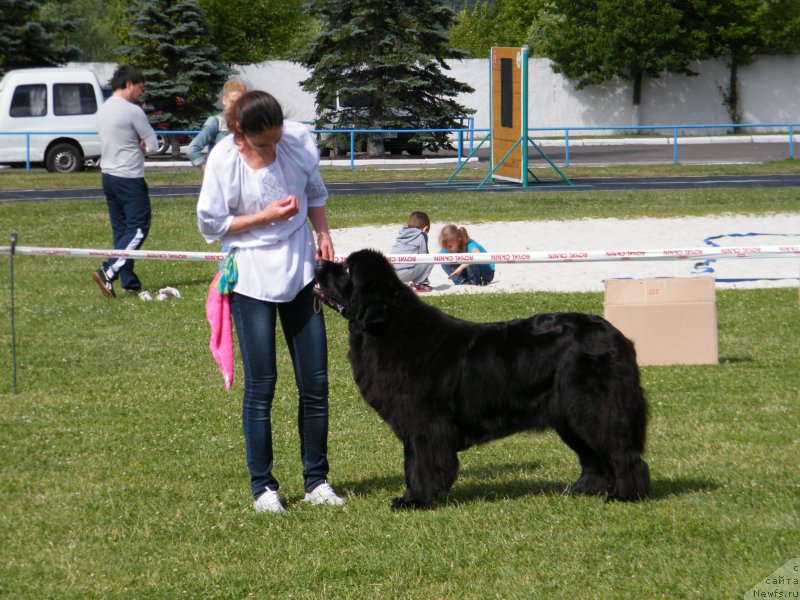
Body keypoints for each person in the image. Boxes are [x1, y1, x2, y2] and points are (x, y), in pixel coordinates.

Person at [196, 90, 344, 513]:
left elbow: (314, 191)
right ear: (241, 135)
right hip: (253, 276)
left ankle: (316, 481)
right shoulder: (225, 161)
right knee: (261, 387)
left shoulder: (295, 143)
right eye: (264, 144)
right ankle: (264, 488)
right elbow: (213, 224)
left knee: (314, 384)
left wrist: (322, 231)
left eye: (277, 140)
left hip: (299, 270)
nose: (273, 149)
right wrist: (266, 217)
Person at [92, 64, 159, 298]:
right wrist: (143, 145)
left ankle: (129, 281)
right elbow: (153, 145)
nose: (141, 93)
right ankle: (108, 270)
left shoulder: (103, 109)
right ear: (129, 84)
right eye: (140, 88)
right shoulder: (133, 111)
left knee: (121, 230)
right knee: (139, 228)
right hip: (129, 178)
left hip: (107, 176)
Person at [186, 79, 247, 171]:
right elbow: (192, 150)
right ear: (224, 100)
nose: (236, 106)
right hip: (222, 180)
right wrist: (208, 172)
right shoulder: (216, 122)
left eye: (240, 102)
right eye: (232, 102)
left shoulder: (249, 123)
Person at [389, 210, 435, 292]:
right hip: (406, 274)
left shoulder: (401, 233)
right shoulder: (421, 235)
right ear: (425, 229)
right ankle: (421, 284)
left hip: (392, 273)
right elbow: (424, 255)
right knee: (430, 259)